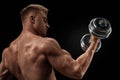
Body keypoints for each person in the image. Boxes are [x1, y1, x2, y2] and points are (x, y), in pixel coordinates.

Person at [0, 4, 100, 80]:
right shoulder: (45, 44)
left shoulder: (7, 53)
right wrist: (94, 42)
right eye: (44, 20)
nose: (48, 25)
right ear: (32, 19)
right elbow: (77, 71)